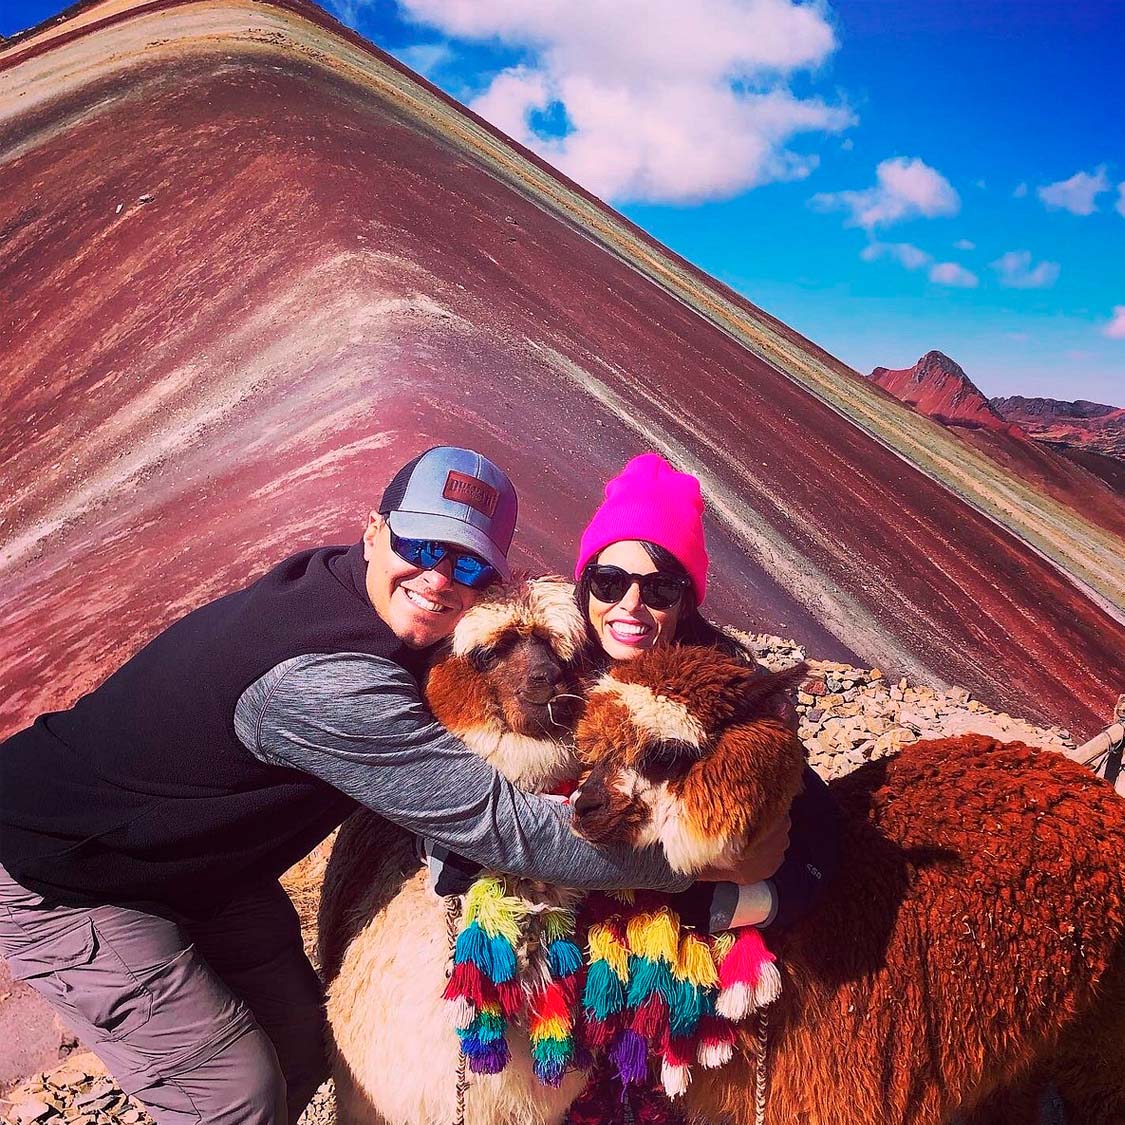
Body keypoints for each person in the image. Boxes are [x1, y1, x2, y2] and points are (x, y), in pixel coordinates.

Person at [0, 446, 775, 1125]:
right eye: (420, 545)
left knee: (300, 1044)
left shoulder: (392, 616)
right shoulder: (329, 684)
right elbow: (500, 826)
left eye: (468, 564)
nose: (440, 579)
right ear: (373, 530)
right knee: (231, 1096)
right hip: (67, 869)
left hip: (194, 861)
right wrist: (689, 869)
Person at [571, 451, 840, 933]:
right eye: (609, 583)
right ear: (585, 586)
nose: (630, 606)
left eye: (659, 591)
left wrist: (743, 900)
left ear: (683, 605)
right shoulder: (551, 680)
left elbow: (815, 832)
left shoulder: (721, 702)